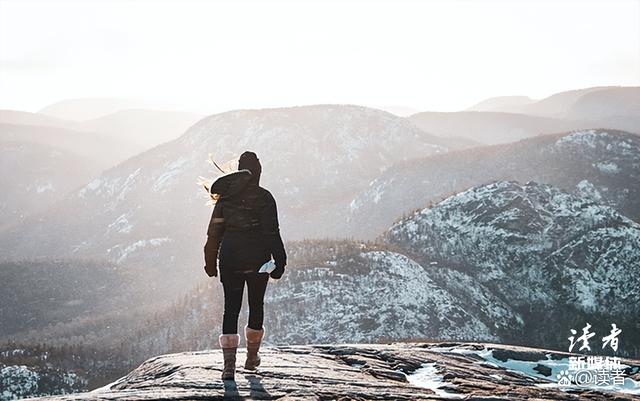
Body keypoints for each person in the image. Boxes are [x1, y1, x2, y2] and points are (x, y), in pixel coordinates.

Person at [203, 151, 287, 381]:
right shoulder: (265, 197)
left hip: (230, 260)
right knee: (256, 305)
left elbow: (214, 233)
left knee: (231, 309)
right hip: (258, 261)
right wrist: (280, 262)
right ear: (258, 172)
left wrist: (210, 263)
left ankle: (229, 367)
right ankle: (251, 359)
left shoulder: (225, 199)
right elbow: (272, 233)